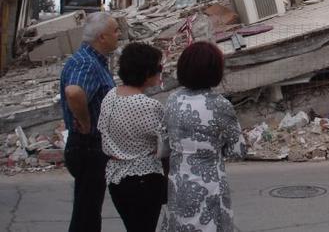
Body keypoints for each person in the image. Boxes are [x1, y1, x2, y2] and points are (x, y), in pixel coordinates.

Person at [162, 41, 245, 232]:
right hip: (209, 187)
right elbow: (237, 151)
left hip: (179, 183)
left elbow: (165, 142)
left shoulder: (173, 99)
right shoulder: (220, 105)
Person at [60, 12, 121, 232]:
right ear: (102, 37)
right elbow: (74, 92)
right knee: (86, 214)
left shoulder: (95, 61)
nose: (119, 34)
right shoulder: (86, 63)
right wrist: (85, 123)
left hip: (92, 146)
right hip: (87, 146)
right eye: (115, 31)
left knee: (88, 210)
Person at [98, 42, 166, 232]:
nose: (161, 72)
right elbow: (165, 145)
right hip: (144, 179)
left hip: (115, 177)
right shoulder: (148, 106)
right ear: (146, 72)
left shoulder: (111, 95)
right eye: (159, 68)